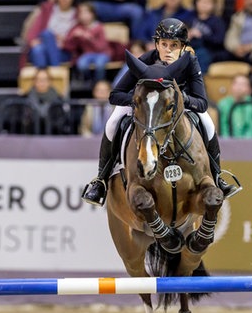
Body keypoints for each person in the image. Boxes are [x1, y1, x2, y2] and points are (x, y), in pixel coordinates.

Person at [82, 18, 241, 206]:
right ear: (156, 44)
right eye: (164, 44)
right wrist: (139, 102)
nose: (168, 50)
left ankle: (218, 177)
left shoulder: (190, 62)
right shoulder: (145, 61)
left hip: (177, 107)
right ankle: (101, 181)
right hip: (145, 107)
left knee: (208, 123)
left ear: (183, 46)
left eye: (174, 45)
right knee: (113, 122)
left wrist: (180, 100)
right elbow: (115, 95)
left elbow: (202, 103)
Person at [22, 0, 77, 68]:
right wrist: (33, 41)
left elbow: (77, 40)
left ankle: (49, 73)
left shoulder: (78, 14)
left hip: (64, 50)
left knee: (41, 47)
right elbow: (33, 31)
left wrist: (64, 42)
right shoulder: (47, 9)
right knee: (41, 44)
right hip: (44, 44)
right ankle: (54, 70)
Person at [64, 2, 112, 83]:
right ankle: (88, 81)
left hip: (102, 53)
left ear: (92, 14)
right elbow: (67, 45)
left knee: (99, 65)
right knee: (81, 64)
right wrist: (73, 36)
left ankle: (99, 83)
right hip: (87, 54)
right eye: (81, 13)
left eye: (86, 12)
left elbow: (102, 47)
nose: (83, 16)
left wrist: (90, 38)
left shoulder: (99, 27)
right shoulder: (78, 27)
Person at [186, 0, 227, 73]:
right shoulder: (190, 17)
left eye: (208, 2)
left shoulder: (217, 21)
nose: (204, 4)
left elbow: (219, 40)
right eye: (201, 1)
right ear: (196, 2)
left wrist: (201, 36)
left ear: (213, 4)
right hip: (190, 47)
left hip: (209, 50)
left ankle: (197, 82)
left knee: (200, 55)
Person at [79, 0, 145, 41]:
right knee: (86, 9)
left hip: (124, 5)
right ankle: (84, 41)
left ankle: (138, 46)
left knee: (137, 11)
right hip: (99, 3)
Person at [218, 74, 252, 138]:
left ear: (250, 89)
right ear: (231, 86)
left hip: (248, 144)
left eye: (243, 84)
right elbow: (223, 127)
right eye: (236, 83)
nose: (239, 87)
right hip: (227, 143)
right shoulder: (223, 104)